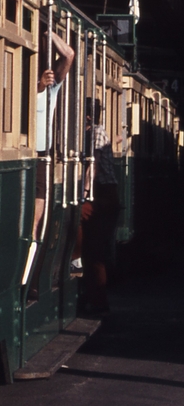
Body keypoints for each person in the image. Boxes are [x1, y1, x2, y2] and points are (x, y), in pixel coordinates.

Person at [33, 29, 75, 240]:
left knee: (40, 191)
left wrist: (49, 34)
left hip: (42, 150)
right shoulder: (28, 87)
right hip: (26, 149)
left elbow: (69, 54)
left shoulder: (53, 88)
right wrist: (39, 85)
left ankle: (34, 232)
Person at [80, 98, 121, 314]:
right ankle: (93, 297)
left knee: (94, 249)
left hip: (103, 195)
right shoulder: (93, 132)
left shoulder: (95, 131)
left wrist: (85, 195)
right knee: (91, 248)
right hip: (101, 194)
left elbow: (92, 165)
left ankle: (98, 302)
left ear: (87, 117)